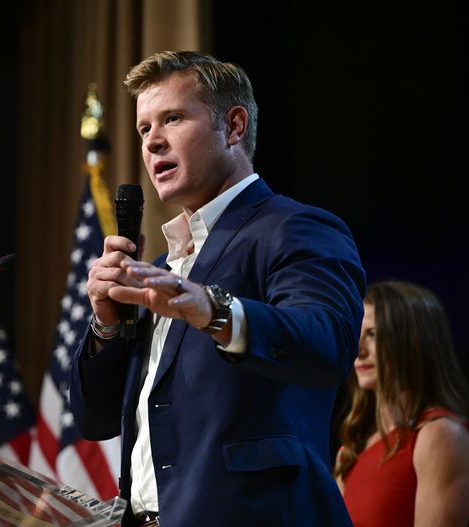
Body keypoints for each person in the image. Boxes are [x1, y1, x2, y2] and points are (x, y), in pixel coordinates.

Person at [69, 50, 366, 526]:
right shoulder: (162, 269)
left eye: (172, 118)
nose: (153, 142)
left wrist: (214, 309)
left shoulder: (294, 227)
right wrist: (105, 325)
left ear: (233, 127)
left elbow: (327, 344)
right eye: (144, 129)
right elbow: (95, 421)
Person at [334, 280, 469, 526]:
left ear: (415, 340)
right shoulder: (351, 450)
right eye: (357, 336)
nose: (358, 350)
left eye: (373, 334)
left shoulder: (440, 436)